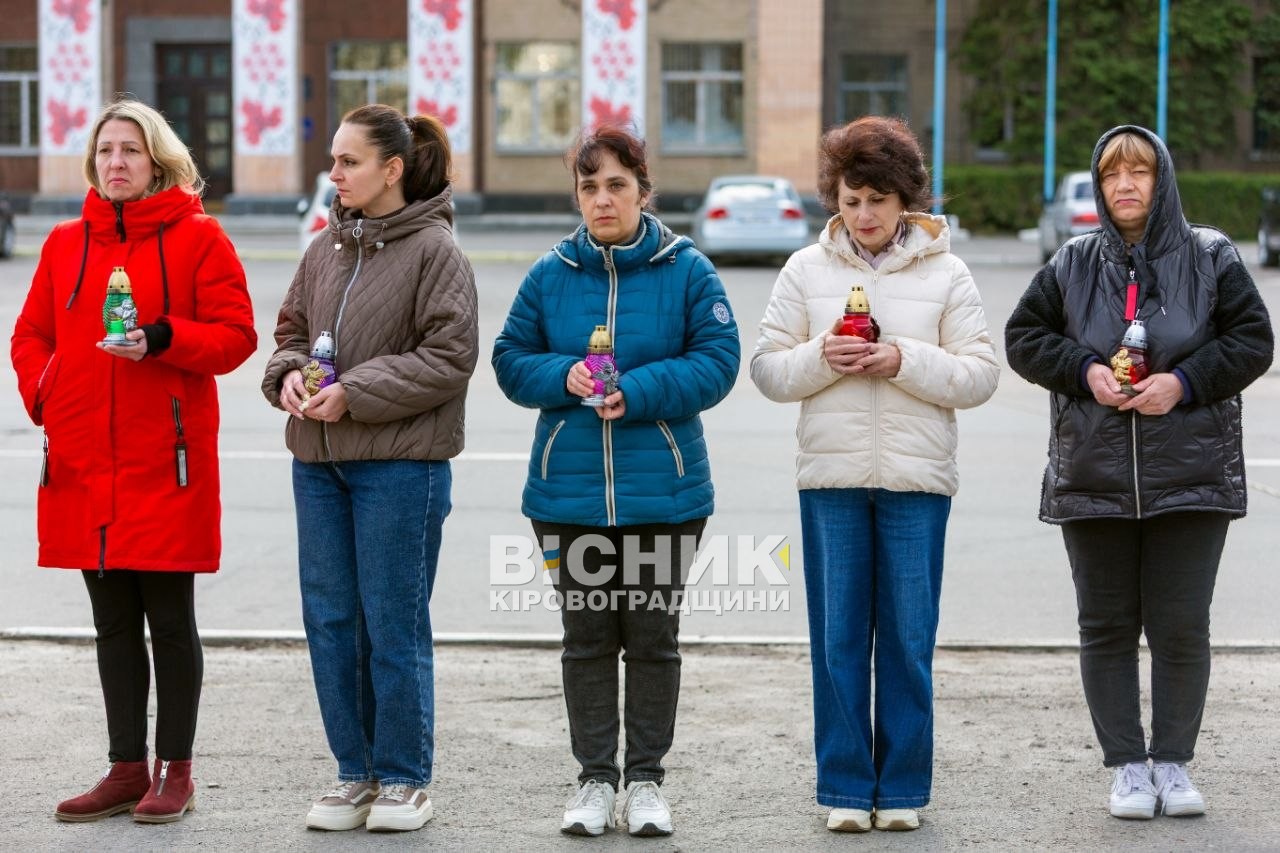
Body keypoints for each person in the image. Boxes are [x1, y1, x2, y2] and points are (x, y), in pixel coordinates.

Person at [1005, 125, 1273, 820]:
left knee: (1182, 626)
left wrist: (1183, 383)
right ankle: (1128, 765)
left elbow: (1252, 341)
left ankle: (1174, 762)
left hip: (1192, 476)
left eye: (1140, 172)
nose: (1125, 185)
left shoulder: (1211, 256)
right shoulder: (1070, 261)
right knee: (1106, 625)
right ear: (1098, 186)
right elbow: (1024, 337)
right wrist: (1084, 370)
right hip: (1092, 474)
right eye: (1112, 174)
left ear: (1164, 179)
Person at [10, 98, 257, 824]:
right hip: (86, 461)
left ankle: (174, 769)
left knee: (170, 620)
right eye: (106, 151)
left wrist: (161, 337)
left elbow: (235, 335)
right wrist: (46, 389)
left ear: (158, 162)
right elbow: (29, 336)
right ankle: (125, 766)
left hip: (165, 461)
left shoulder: (199, 240)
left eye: (131, 151)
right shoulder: (64, 243)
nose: (116, 163)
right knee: (111, 622)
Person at [750, 116, 999, 833]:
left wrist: (905, 360)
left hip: (917, 482)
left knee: (908, 636)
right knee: (837, 639)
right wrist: (822, 355)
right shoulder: (806, 270)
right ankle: (846, 786)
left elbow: (980, 375)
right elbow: (767, 368)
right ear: (835, 195)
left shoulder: (948, 272)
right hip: (829, 477)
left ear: (906, 200)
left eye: (878, 201)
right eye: (851, 198)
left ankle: (904, 787)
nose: (863, 215)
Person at [492, 124, 739, 837]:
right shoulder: (549, 274)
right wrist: (561, 374)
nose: (601, 199)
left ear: (642, 189)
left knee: (654, 638)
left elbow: (719, 359)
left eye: (616, 185)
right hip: (564, 497)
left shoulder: (686, 269)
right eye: (588, 186)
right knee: (587, 638)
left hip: (665, 494)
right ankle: (595, 779)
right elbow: (509, 359)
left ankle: (648, 782)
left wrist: (642, 388)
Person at [261, 104, 478, 833]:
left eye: (349, 161)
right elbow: (290, 332)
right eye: (333, 160)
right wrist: (289, 376)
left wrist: (355, 391)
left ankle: (405, 776)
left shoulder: (435, 250)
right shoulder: (327, 248)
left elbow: (450, 357)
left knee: (393, 624)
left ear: (392, 169)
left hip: (399, 466)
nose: (335, 173)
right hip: (317, 464)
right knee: (329, 620)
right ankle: (354, 770)